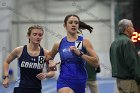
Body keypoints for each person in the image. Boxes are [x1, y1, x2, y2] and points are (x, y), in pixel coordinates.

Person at [49, 14, 99, 93]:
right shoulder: (59, 43)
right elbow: (48, 57)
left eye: (76, 23)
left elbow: (96, 63)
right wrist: (51, 62)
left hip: (80, 81)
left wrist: (81, 54)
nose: (73, 25)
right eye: (71, 22)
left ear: (78, 25)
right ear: (65, 25)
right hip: (64, 80)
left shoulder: (84, 42)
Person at [2, 25, 55, 93]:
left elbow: (52, 72)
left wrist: (45, 75)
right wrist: (6, 77)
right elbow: (6, 62)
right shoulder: (19, 50)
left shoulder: (46, 53)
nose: (37, 37)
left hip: (36, 88)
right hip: (20, 87)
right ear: (28, 36)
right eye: (34, 34)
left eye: (40, 35)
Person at [109, 19, 139, 93]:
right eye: (132, 27)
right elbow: (132, 63)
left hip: (119, 81)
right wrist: (139, 79)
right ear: (127, 28)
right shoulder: (128, 42)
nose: (134, 29)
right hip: (130, 82)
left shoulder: (114, 43)